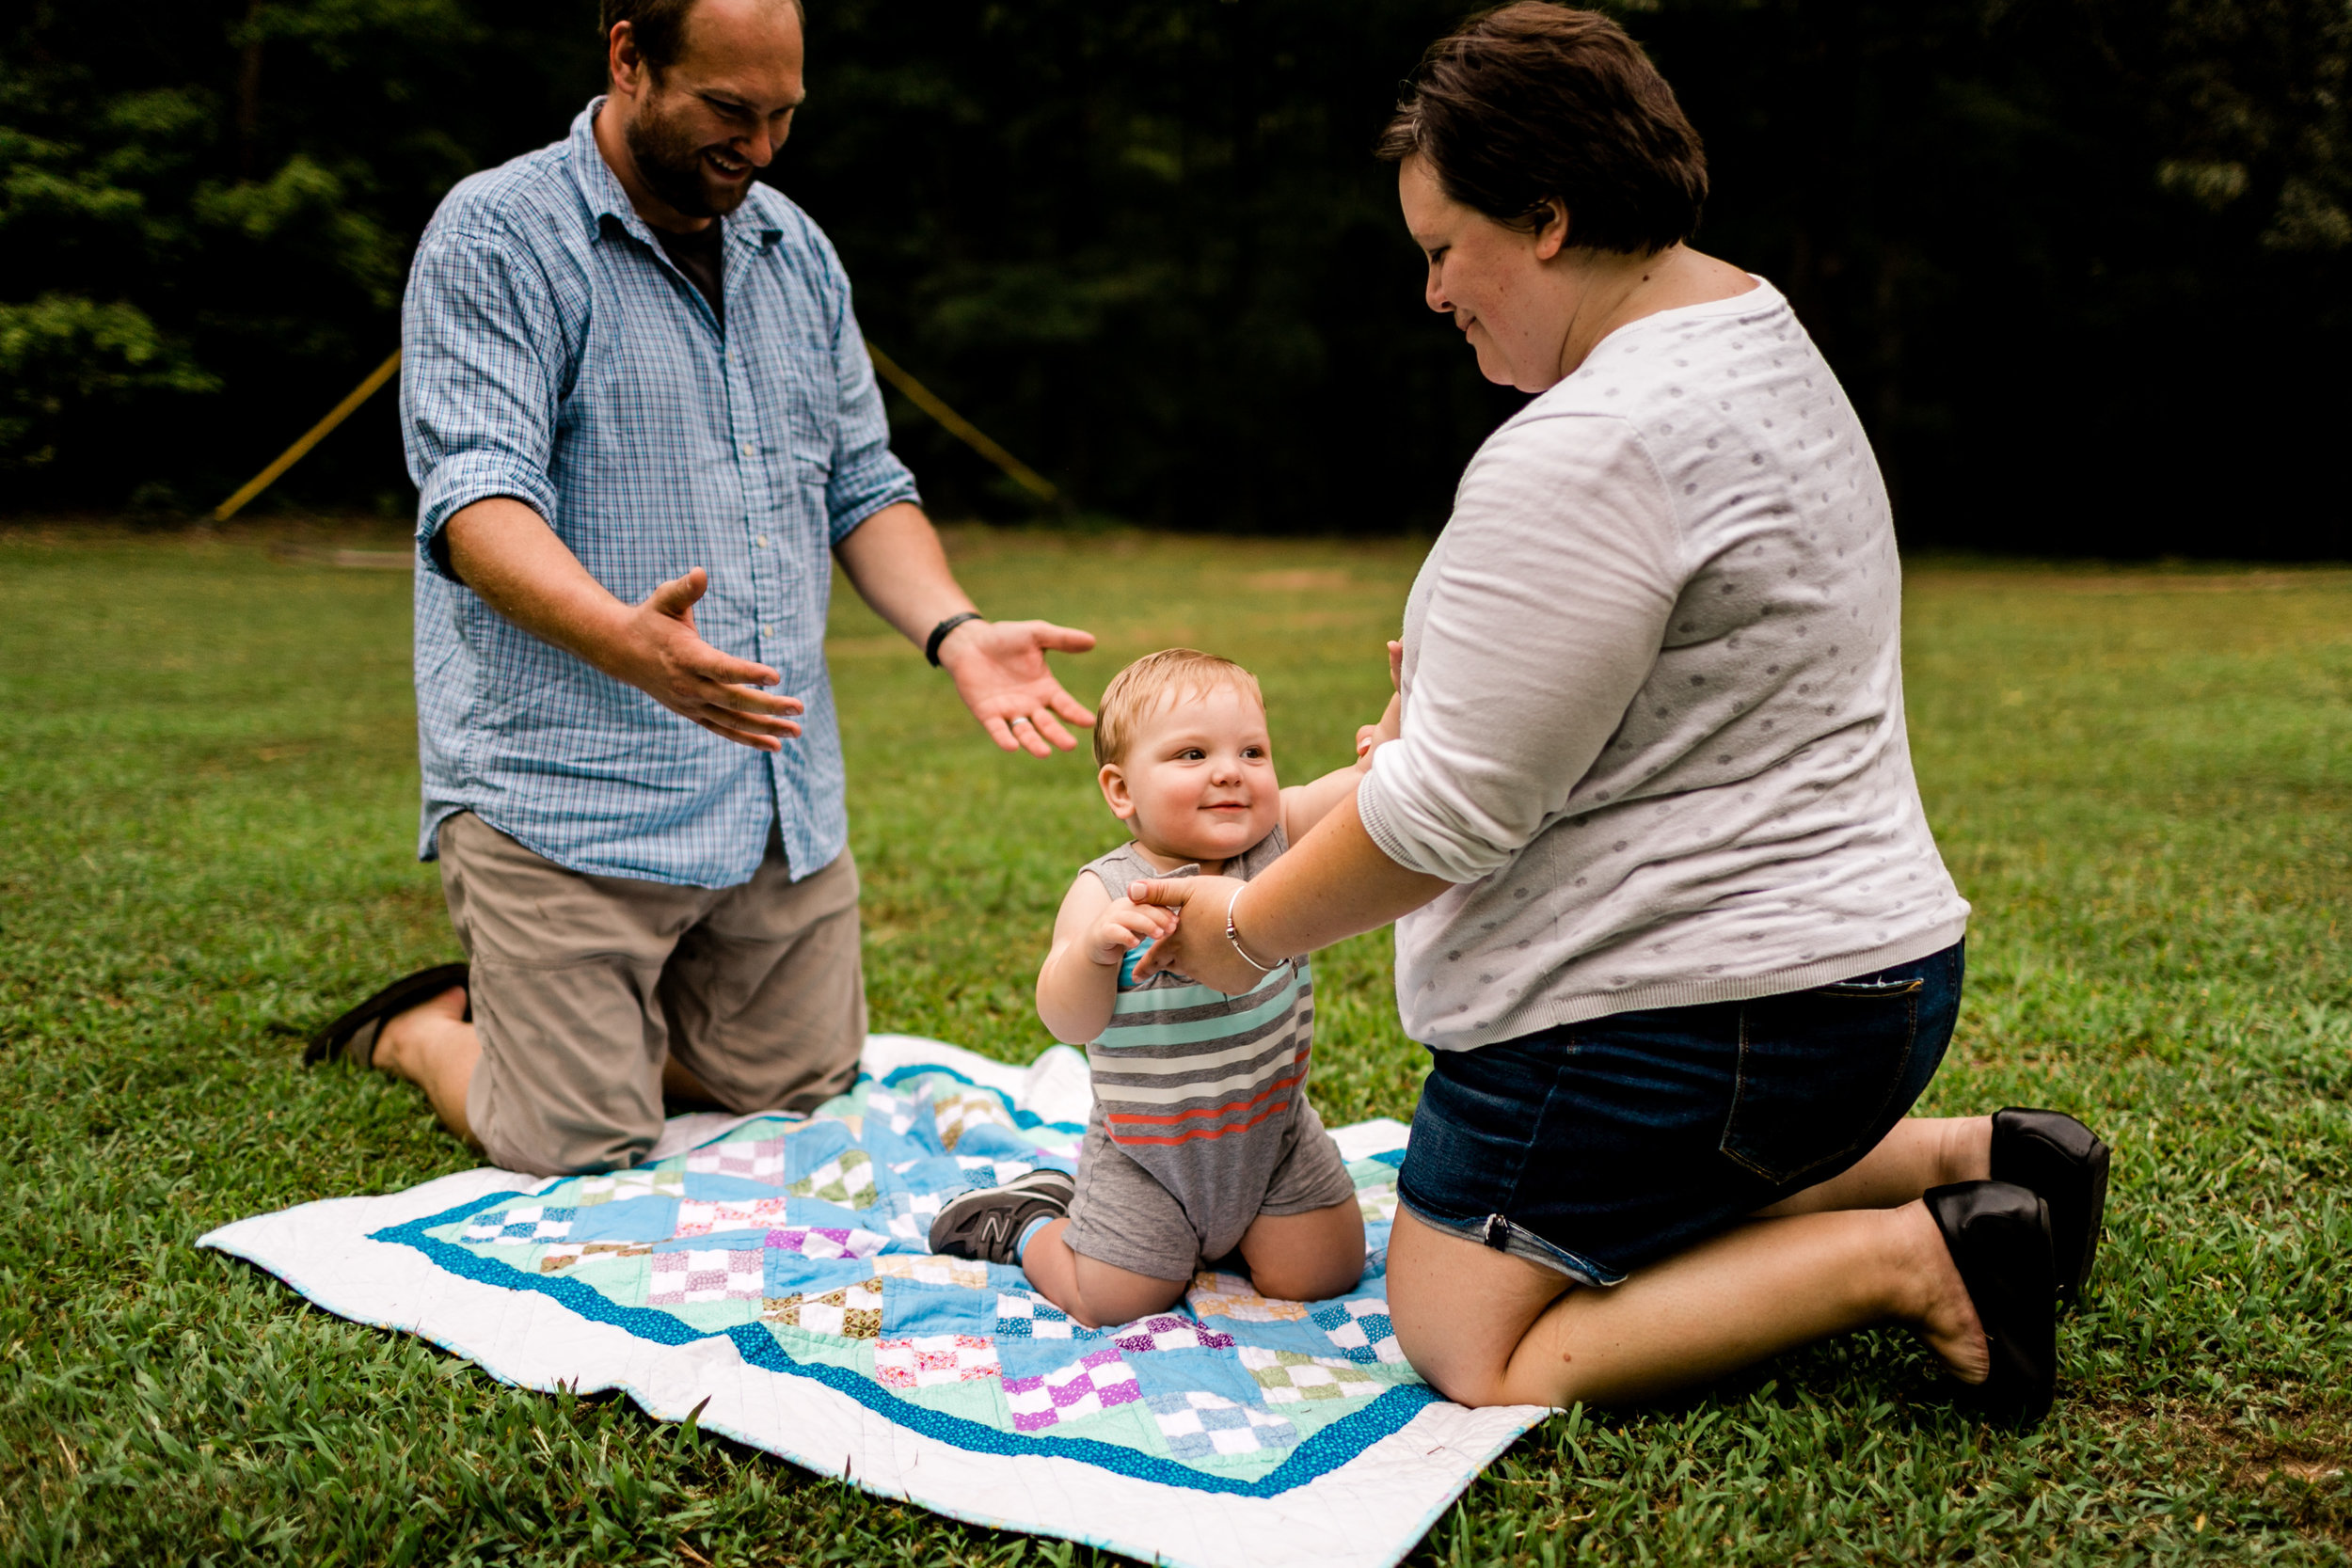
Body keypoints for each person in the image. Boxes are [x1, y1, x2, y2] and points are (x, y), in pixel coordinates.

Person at [1119, 3, 2109, 1425]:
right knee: (1637, 1197)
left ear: (1547, 217)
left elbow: (1445, 821)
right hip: (1874, 987)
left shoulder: (1588, 444)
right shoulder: (1751, 328)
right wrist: (1298, 802)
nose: (1433, 294)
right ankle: (1977, 1157)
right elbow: (1650, 716)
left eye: (1442, 250)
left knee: (1465, 1329)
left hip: (1712, 1023)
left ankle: (1918, 1255)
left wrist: (1238, 926)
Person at [304, 0, 1097, 1179]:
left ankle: (586, 1019)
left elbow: (862, 484)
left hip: (767, 788)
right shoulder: (499, 233)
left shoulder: (796, 249)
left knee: (791, 1090)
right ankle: (428, 1030)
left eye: (784, 115)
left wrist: (955, 629)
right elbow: (473, 501)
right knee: (579, 1143)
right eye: (731, 111)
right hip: (567, 789)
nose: (764, 148)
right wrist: (621, 638)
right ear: (628, 58)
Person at [927, 650, 1375, 1324]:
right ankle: (1030, 1224)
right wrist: (1093, 953)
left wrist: (1394, 724)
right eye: (1192, 754)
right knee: (1109, 1301)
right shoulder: (1107, 890)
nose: (1230, 770)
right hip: (1149, 1157)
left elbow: (1374, 788)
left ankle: (1227, 1232)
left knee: (1324, 1273)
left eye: (1252, 751)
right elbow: (1065, 1019)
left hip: (1271, 1137)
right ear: (1120, 790)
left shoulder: (1279, 840)